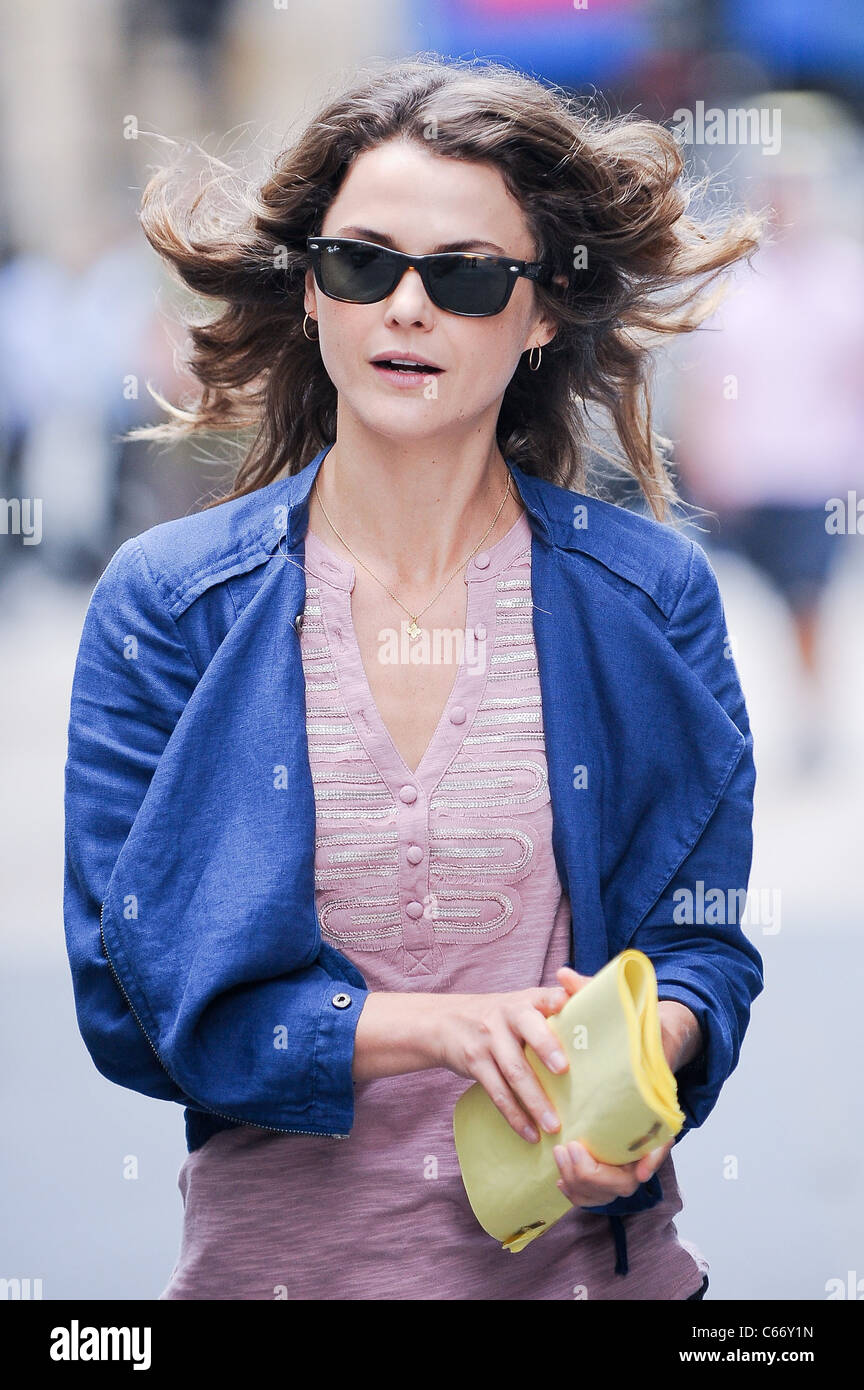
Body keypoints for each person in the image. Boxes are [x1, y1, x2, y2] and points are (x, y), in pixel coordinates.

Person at [63, 54, 764, 1301]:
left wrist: (640, 1071)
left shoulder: (652, 598)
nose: (406, 307)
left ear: (541, 311)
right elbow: (132, 1003)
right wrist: (428, 1030)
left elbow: (702, 946)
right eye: (362, 263)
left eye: (466, 276)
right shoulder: (168, 608)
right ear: (314, 292)